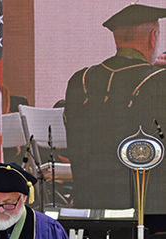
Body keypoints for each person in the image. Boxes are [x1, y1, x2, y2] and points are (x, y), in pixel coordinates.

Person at [64, 4, 166, 212]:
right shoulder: (159, 81)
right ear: (153, 37)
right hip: (147, 208)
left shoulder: (81, 80)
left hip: (89, 203)